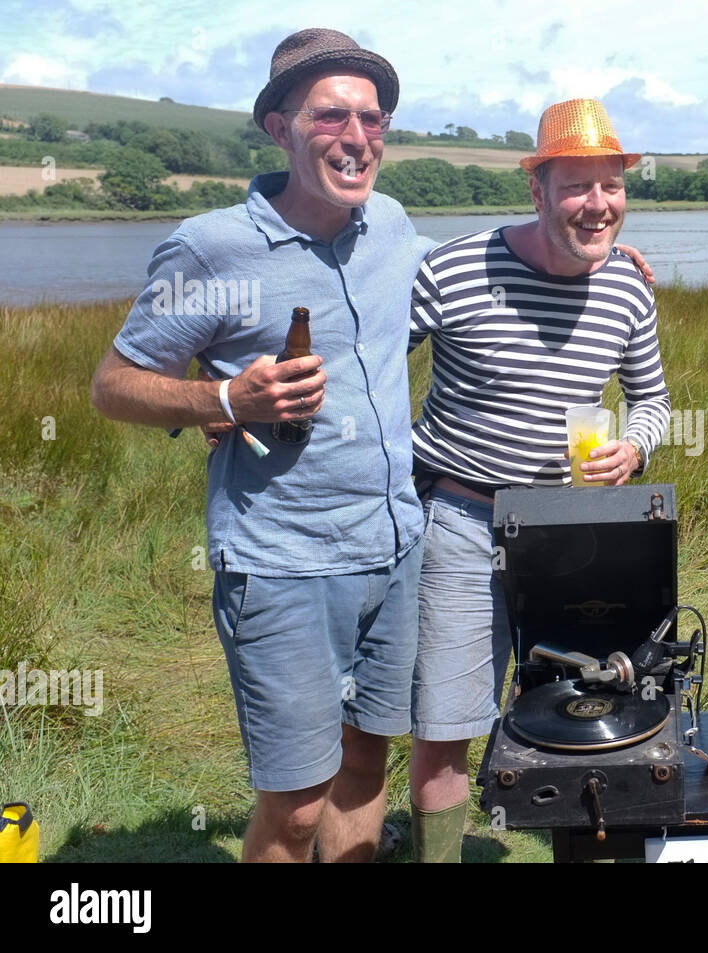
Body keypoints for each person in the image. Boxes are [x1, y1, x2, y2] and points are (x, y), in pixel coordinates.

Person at [90, 28, 432, 862]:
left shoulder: (390, 225)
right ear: (278, 129)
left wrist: (591, 263)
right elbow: (113, 384)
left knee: (363, 766)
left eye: (372, 118)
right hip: (282, 562)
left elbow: (462, 288)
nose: (357, 137)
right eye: (330, 117)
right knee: (298, 805)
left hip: (394, 547)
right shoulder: (212, 246)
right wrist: (224, 397)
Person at [405, 98, 671, 862]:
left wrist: (635, 449)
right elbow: (369, 364)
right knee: (447, 726)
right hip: (460, 521)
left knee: (588, 708)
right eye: (577, 187)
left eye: (611, 186)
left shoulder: (627, 285)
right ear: (537, 190)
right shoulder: (452, 268)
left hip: (573, 530)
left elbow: (651, 398)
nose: (598, 205)